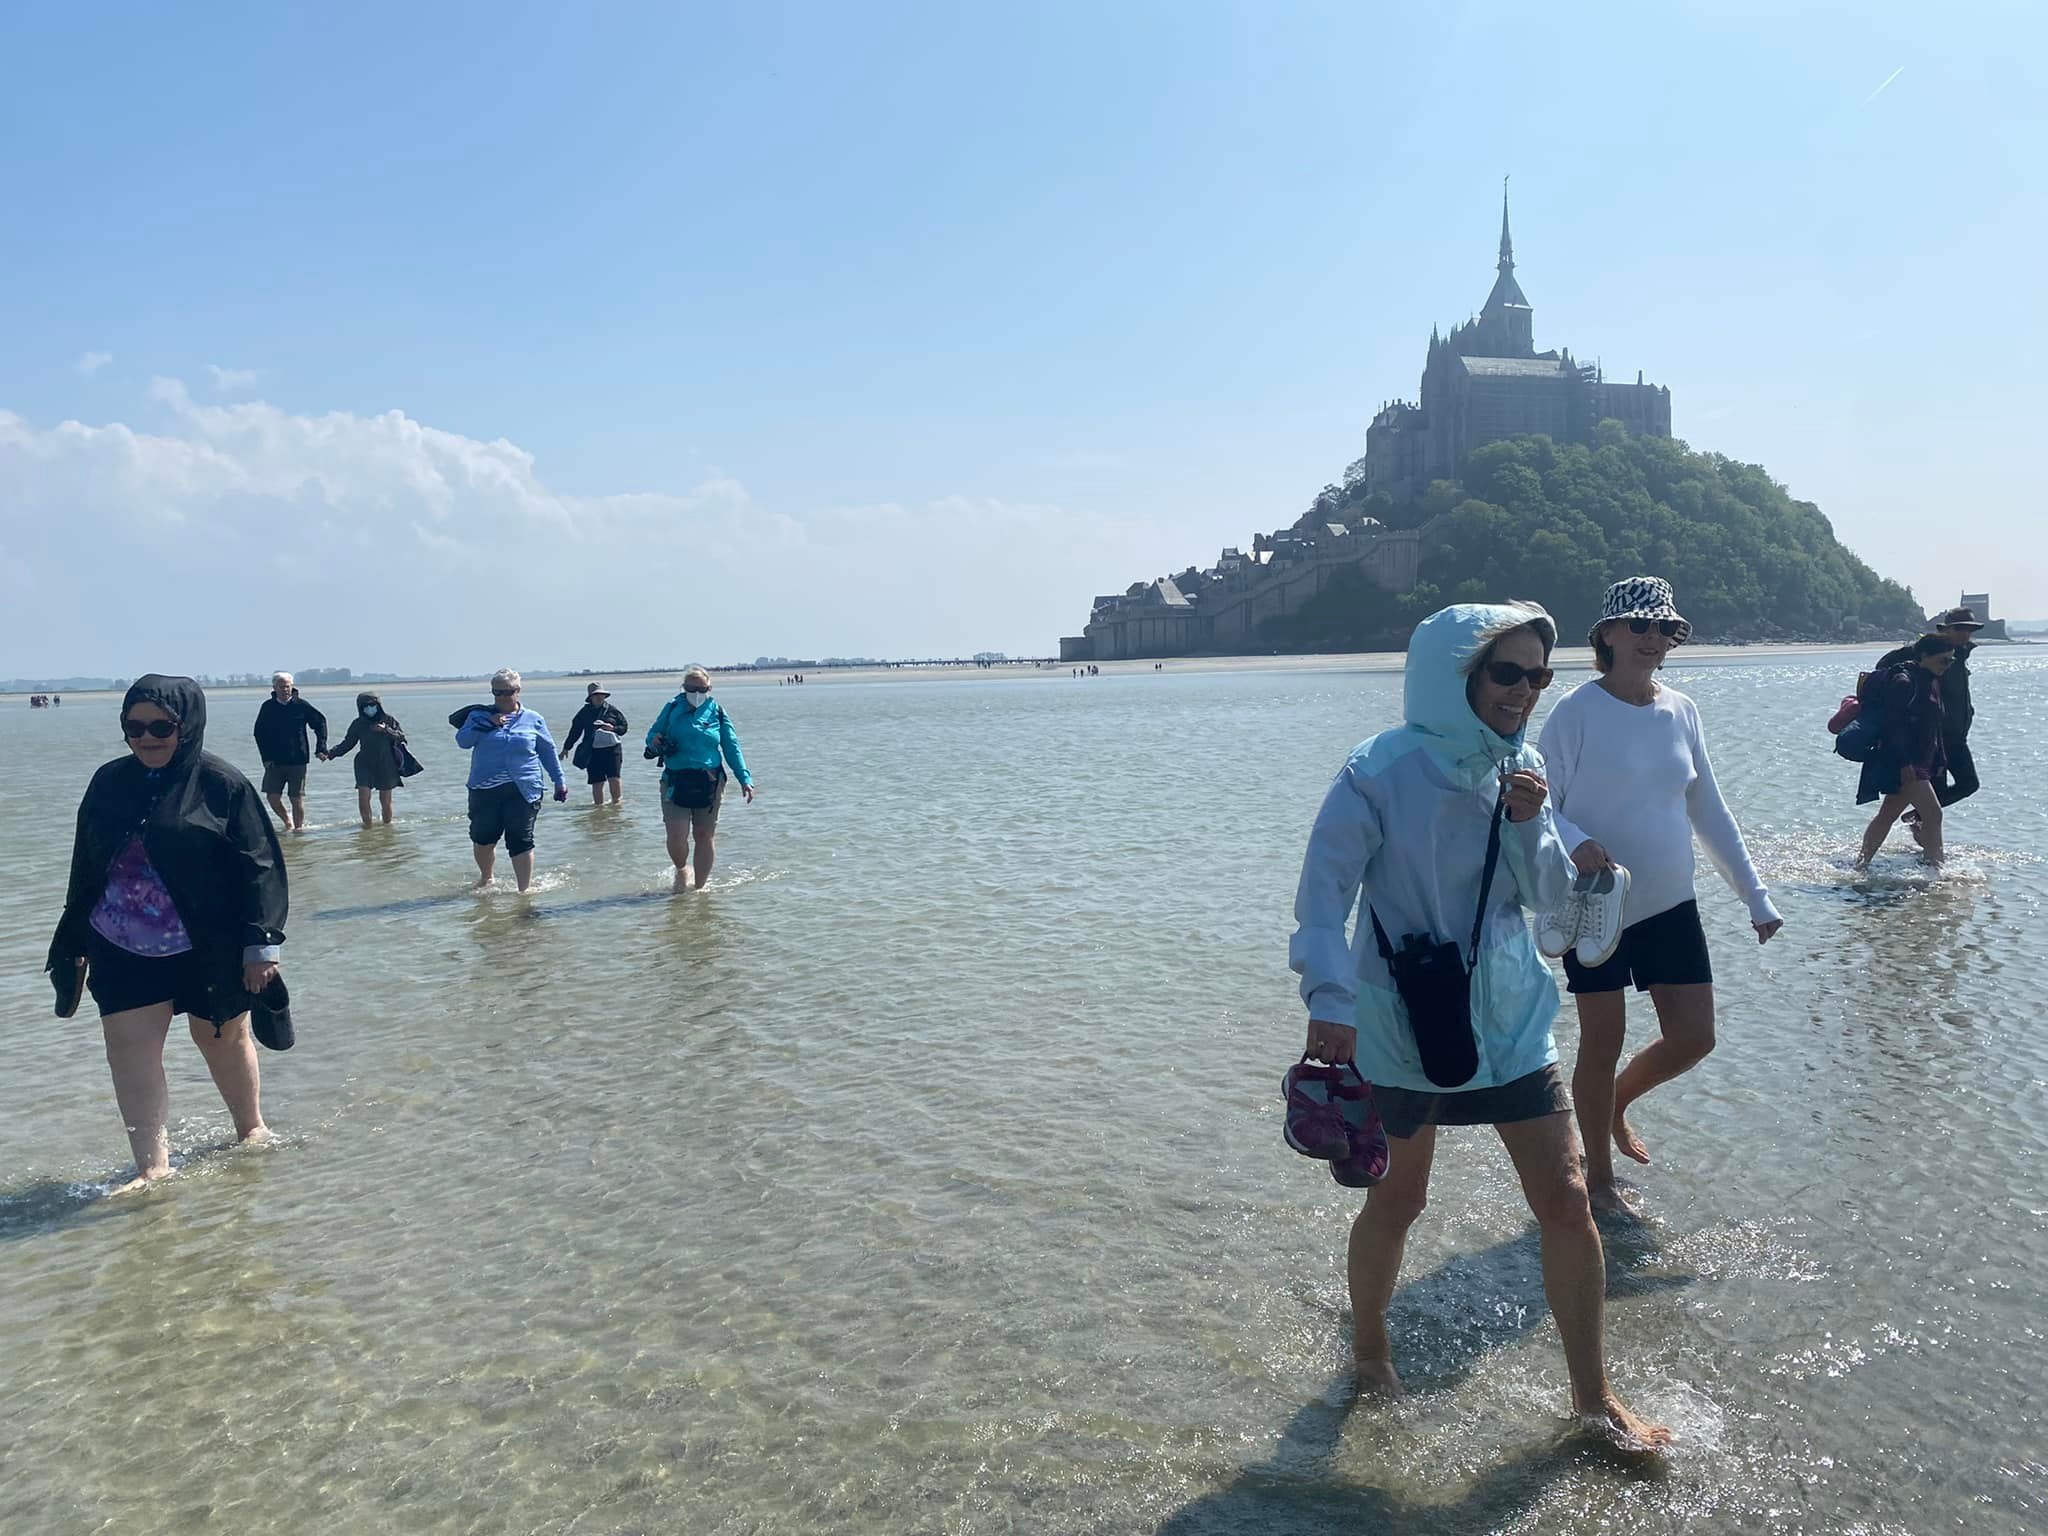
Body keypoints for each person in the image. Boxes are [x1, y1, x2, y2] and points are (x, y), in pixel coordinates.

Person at [1291, 601, 1670, 1451]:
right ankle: (1368, 1344)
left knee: (1567, 1202)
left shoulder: (1523, 766)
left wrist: (1535, 823)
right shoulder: (1378, 769)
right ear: (1454, 673)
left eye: (1540, 675)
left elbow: (1543, 902)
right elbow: (1324, 895)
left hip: (1512, 1021)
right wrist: (1329, 1001)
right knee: (1400, 1202)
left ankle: (1593, 1398)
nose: (1526, 692)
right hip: (1402, 1026)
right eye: (1508, 673)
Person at [1539, 578, 1783, 1217]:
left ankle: (1616, 1102)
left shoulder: (1682, 709)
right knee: (1603, 1038)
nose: (1654, 639)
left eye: (1664, 629)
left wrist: (1754, 896)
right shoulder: (1574, 711)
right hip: (1597, 905)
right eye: (1640, 627)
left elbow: (1709, 809)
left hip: (1671, 902)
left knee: (1694, 1037)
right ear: (1608, 634)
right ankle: (1597, 1180)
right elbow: (1542, 808)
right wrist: (1578, 839)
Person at [44, 677, 288, 1192]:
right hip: (121, 942)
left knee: (221, 1037)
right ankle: (152, 1167)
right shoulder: (109, 782)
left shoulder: (222, 784)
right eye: (133, 727)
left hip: (210, 943)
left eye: (161, 726)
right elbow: (85, 865)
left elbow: (260, 865)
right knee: (128, 1050)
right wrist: (71, 939)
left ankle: (251, 1130)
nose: (146, 738)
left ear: (188, 725)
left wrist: (262, 945)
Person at [452, 669, 566, 891]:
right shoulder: (478, 716)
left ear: (518, 691)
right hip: (484, 788)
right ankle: (487, 878)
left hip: (525, 788)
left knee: (521, 838)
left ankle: (524, 890)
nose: (503, 697)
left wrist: (559, 781)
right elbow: (463, 741)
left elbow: (548, 752)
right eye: (498, 692)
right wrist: (487, 724)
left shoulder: (534, 719)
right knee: (483, 838)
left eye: (508, 692)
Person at [1875, 606, 1983, 838]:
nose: (1966, 633)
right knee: (1929, 805)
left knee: (1969, 784)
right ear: (1945, 630)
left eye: (1970, 629)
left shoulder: (1960, 654)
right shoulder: (1926, 653)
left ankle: (1918, 822)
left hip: (1957, 738)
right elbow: (1884, 664)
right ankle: (1929, 851)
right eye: (1960, 628)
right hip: (1933, 740)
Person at [645, 666, 755, 892]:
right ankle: (681, 868)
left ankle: (699, 890)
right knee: (677, 835)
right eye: (690, 688)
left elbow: (731, 746)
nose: (696, 692)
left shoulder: (717, 711)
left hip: (710, 780)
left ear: (709, 689)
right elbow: (651, 734)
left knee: (704, 834)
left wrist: (745, 778)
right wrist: (654, 741)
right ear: (684, 688)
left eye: (701, 689)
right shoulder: (673, 707)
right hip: (675, 779)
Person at [1855, 634, 1958, 869]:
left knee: (1888, 815)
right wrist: (1904, 763)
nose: (1947, 666)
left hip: (1920, 762)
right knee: (1933, 815)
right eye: (1944, 660)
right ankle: (1937, 871)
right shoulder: (1903, 682)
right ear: (1923, 656)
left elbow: (1934, 727)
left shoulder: (1931, 680)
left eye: (1951, 661)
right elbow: (1893, 727)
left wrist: (1940, 760)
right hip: (1905, 763)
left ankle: (1861, 865)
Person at [321, 691, 411, 827]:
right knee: (363, 797)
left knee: (385, 800)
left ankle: (387, 828)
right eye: (365, 706)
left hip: (386, 763)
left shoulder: (388, 720)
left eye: (372, 705)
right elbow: (347, 743)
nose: (369, 708)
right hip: (364, 763)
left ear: (378, 705)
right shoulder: (358, 723)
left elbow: (401, 737)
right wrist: (329, 754)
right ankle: (367, 827)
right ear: (360, 708)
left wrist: (386, 730)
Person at [252, 671, 328, 831]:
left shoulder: (301, 705)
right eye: (281, 687)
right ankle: (288, 821)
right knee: (272, 797)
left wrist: (320, 748)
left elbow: (320, 722)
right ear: (274, 688)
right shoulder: (268, 707)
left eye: (287, 686)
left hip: (298, 760)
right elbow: (259, 733)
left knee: (296, 798)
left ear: (291, 687)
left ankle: (298, 830)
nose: (285, 689)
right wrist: (265, 758)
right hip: (274, 762)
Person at [560, 683, 630, 806]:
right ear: (590, 697)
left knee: (614, 778)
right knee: (597, 781)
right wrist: (566, 748)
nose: (599, 697)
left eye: (601, 695)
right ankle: (598, 807)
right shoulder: (584, 712)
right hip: (592, 750)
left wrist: (612, 728)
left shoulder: (613, 710)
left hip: (612, 749)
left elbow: (624, 728)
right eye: (596, 695)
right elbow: (575, 731)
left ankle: (617, 804)